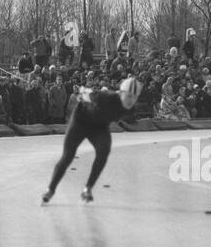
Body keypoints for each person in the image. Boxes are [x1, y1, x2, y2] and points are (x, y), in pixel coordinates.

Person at [41, 75, 144, 205]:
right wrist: (82, 96)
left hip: (99, 127)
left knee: (104, 151)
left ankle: (87, 189)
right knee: (68, 156)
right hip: (80, 122)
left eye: (135, 98)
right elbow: (83, 92)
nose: (131, 101)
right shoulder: (106, 97)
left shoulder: (131, 110)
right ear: (120, 93)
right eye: (129, 96)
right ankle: (50, 189)